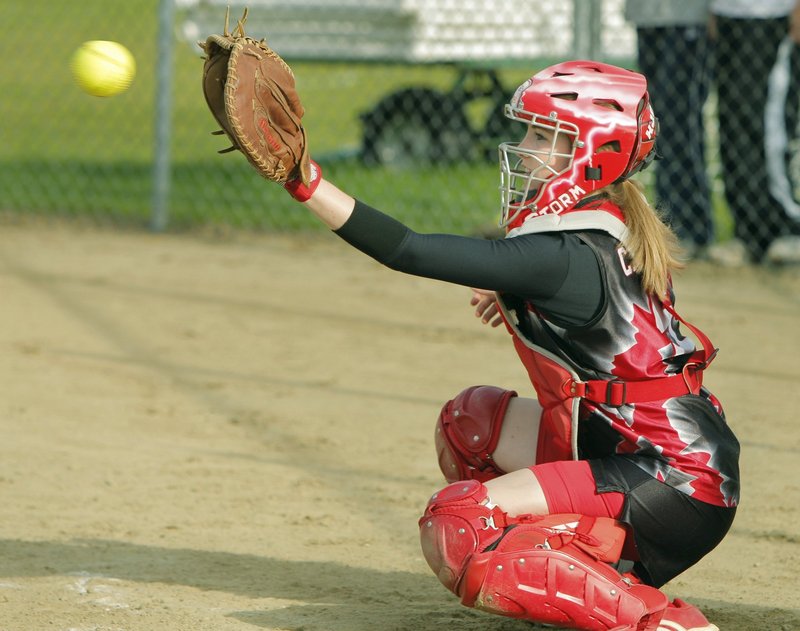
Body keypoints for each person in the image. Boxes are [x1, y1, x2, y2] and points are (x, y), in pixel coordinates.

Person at [278, 62, 742, 630]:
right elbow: (603, 319)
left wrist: (307, 184)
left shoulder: (566, 251)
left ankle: (662, 623)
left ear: (594, 151)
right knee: (468, 423)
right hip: (644, 452)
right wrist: (530, 304)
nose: (523, 150)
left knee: (460, 523)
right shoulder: (609, 217)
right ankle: (583, 569)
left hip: (669, 479)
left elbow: (410, 251)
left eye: (543, 136)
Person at [710, 0, 800, 265]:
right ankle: (748, 233)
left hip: (774, 14)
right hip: (729, 13)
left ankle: (788, 226)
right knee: (732, 121)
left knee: (771, 123)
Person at [624, 0, 716, 259]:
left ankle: (693, 227)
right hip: (647, 15)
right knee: (654, 120)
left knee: (679, 121)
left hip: (689, 15)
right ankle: (668, 223)